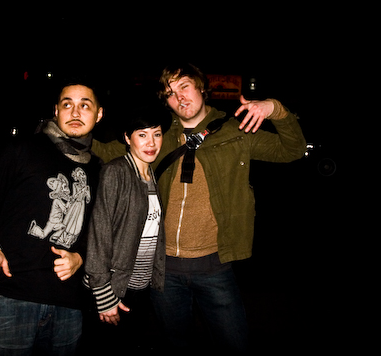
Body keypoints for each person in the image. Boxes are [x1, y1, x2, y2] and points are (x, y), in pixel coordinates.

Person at [92, 63, 307, 353]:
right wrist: (68, 130)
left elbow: (292, 149)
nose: (179, 97)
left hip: (214, 268)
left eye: (184, 86)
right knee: (176, 345)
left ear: (202, 87)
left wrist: (274, 108)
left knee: (235, 345)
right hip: (164, 271)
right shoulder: (159, 135)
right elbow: (105, 152)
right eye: (170, 93)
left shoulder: (236, 131)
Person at [0, 81, 104, 356]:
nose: (75, 112)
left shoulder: (98, 169)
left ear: (98, 114)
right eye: (67, 104)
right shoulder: (24, 149)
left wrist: (80, 257)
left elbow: (99, 229)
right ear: (56, 111)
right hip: (11, 295)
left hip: (69, 303)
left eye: (84, 105)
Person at [83, 105, 171, 352]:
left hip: (139, 290)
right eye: (142, 135)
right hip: (113, 289)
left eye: (157, 134)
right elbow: (98, 234)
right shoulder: (116, 172)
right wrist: (104, 295)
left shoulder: (151, 176)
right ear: (127, 138)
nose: (151, 142)